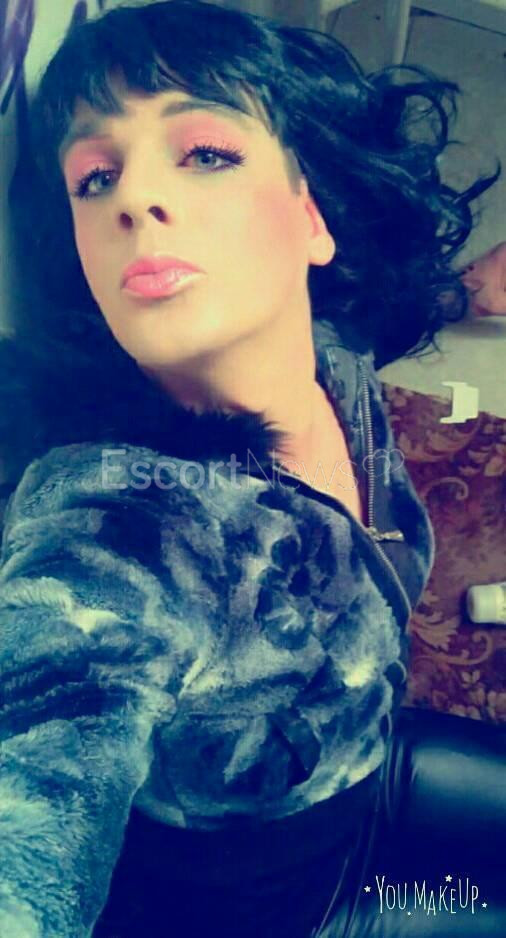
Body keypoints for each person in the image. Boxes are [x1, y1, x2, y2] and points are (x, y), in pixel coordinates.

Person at [0, 2, 505, 936]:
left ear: (310, 219)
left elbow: (378, 314)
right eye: (95, 177)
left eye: (203, 153)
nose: (131, 198)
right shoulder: (115, 536)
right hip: (290, 914)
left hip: (370, 769)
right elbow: (30, 821)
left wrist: (473, 288)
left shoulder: (330, 349)